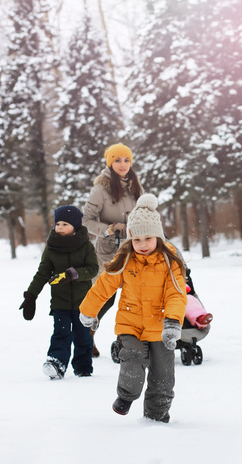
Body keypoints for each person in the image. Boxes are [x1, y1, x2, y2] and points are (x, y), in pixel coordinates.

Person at [79, 194, 187, 422]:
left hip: (160, 327)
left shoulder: (170, 261)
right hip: (131, 324)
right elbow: (103, 286)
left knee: (163, 377)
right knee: (132, 357)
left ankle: (156, 418)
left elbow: (176, 294)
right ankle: (126, 395)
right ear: (130, 239)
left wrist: (173, 322)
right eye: (136, 240)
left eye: (148, 238)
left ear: (158, 236)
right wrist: (89, 310)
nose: (142, 244)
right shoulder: (125, 258)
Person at [19, 205, 99, 379]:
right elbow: (42, 274)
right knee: (60, 333)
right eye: (58, 224)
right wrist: (31, 295)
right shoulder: (51, 248)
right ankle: (56, 363)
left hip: (83, 303)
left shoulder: (86, 247)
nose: (60, 227)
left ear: (75, 226)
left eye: (65, 224)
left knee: (83, 337)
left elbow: (93, 269)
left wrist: (74, 273)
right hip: (60, 303)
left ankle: (83, 367)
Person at [82, 142, 143, 357]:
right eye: (117, 160)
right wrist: (108, 229)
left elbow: (144, 213)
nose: (123, 164)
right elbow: (86, 220)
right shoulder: (101, 188)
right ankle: (87, 334)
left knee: (133, 296)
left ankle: (124, 339)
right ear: (110, 162)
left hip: (136, 248)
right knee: (105, 296)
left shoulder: (136, 185)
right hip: (109, 250)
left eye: (126, 160)